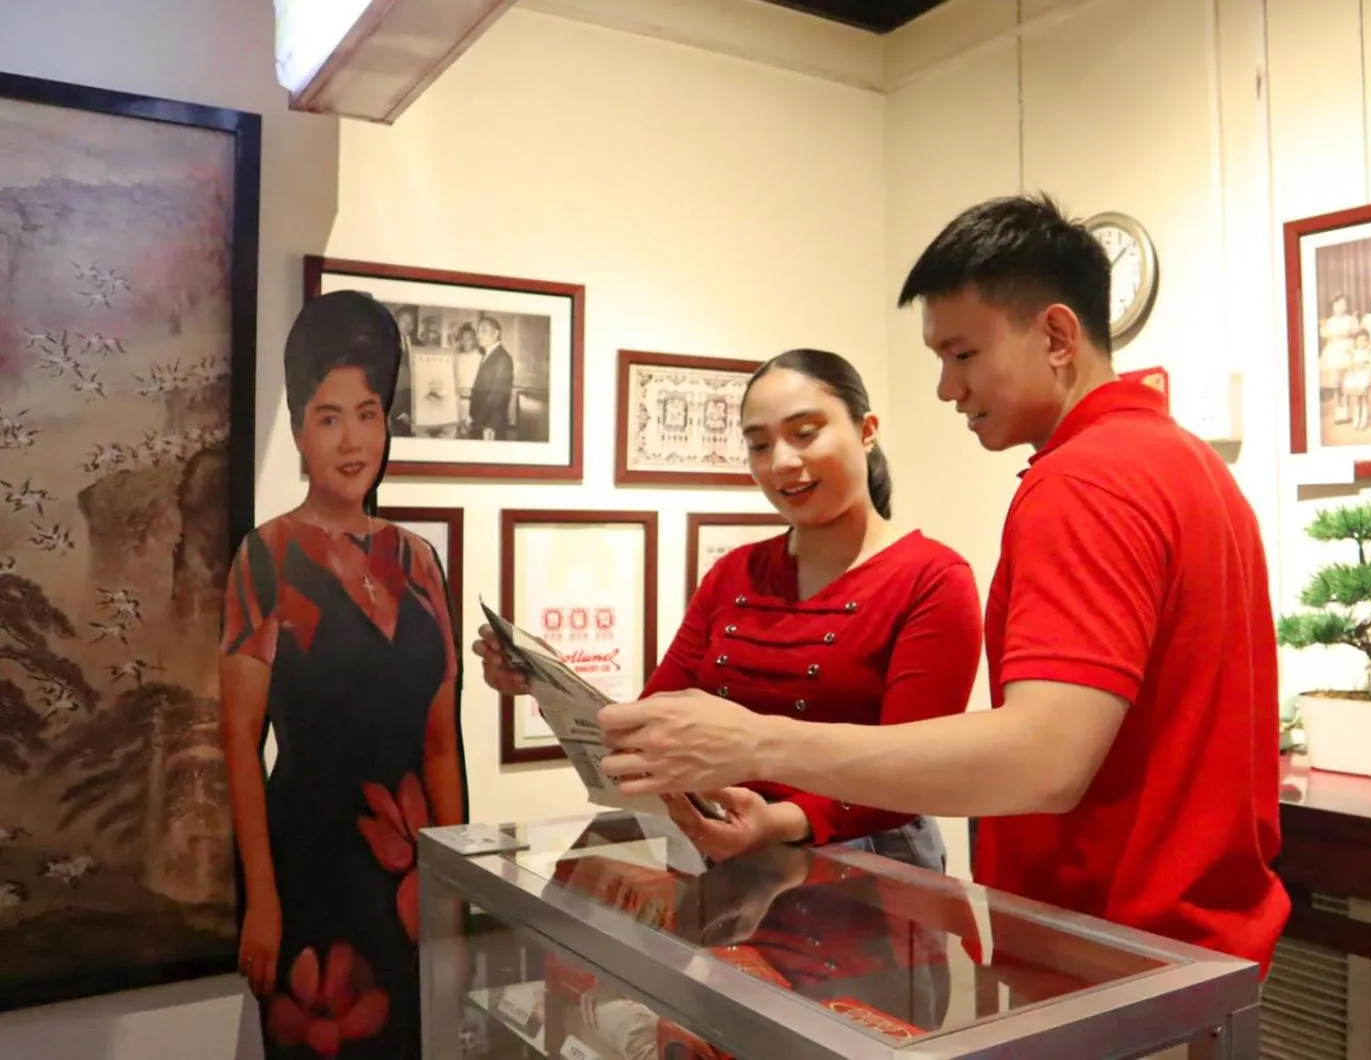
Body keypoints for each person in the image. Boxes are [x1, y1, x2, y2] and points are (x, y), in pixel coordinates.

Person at [588, 194, 1290, 976]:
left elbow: (1044, 758)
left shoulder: (1081, 482)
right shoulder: (1187, 463)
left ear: (1056, 336)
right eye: (759, 443)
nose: (947, 389)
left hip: (1118, 949)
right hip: (1190, 948)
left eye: (962, 355)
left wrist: (757, 741)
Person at [474, 349, 983, 872]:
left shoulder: (932, 578)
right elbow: (659, 712)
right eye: (759, 444)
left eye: (805, 433)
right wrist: (546, 681)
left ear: (867, 429)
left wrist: (777, 821)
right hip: (724, 846)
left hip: (867, 866)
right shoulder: (735, 573)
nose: (781, 462)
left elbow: (915, 774)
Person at [220, 291, 466, 1058]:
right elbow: (238, 745)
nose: (353, 439)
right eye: (329, 417)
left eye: (368, 412)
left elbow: (439, 746)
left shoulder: (420, 563)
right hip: (310, 877)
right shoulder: (264, 559)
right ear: (298, 430)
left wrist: (454, 883)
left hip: (409, 882)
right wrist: (261, 899)